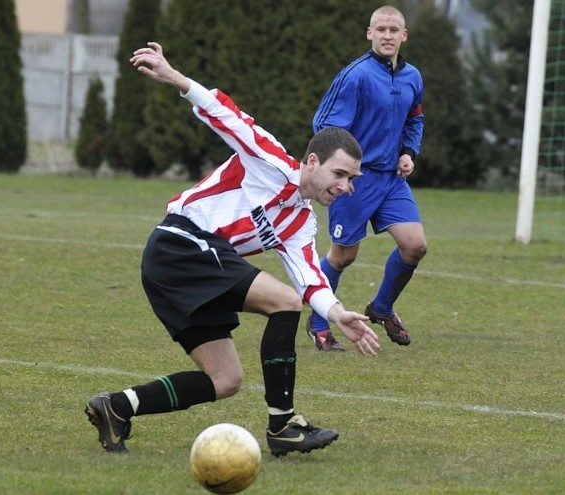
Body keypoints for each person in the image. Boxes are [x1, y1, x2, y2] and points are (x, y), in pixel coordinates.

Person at [84, 42, 380, 457]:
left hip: (192, 266)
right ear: (312, 161)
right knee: (284, 302)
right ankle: (284, 426)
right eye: (340, 173)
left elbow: (310, 278)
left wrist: (336, 313)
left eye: (352, 179)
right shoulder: (272, 161)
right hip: (181, 243)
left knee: (226, 380)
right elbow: (227, 115)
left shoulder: (301, 221)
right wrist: (176, 78)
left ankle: (116, 406)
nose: (346, 186)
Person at [306, 5, 426, 352]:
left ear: (404, 35)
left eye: (394, 30)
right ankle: (318, 324)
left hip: (390, 179)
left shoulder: (412, 77)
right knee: (343, 256)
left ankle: (382, 308)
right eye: (381, 30)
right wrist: (342, 173)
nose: (387, 36)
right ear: (369, 34)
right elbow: (326, 126)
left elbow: (414, 120)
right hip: (356, 181)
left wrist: (408, 152)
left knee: (415, 245)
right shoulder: (355, 76)